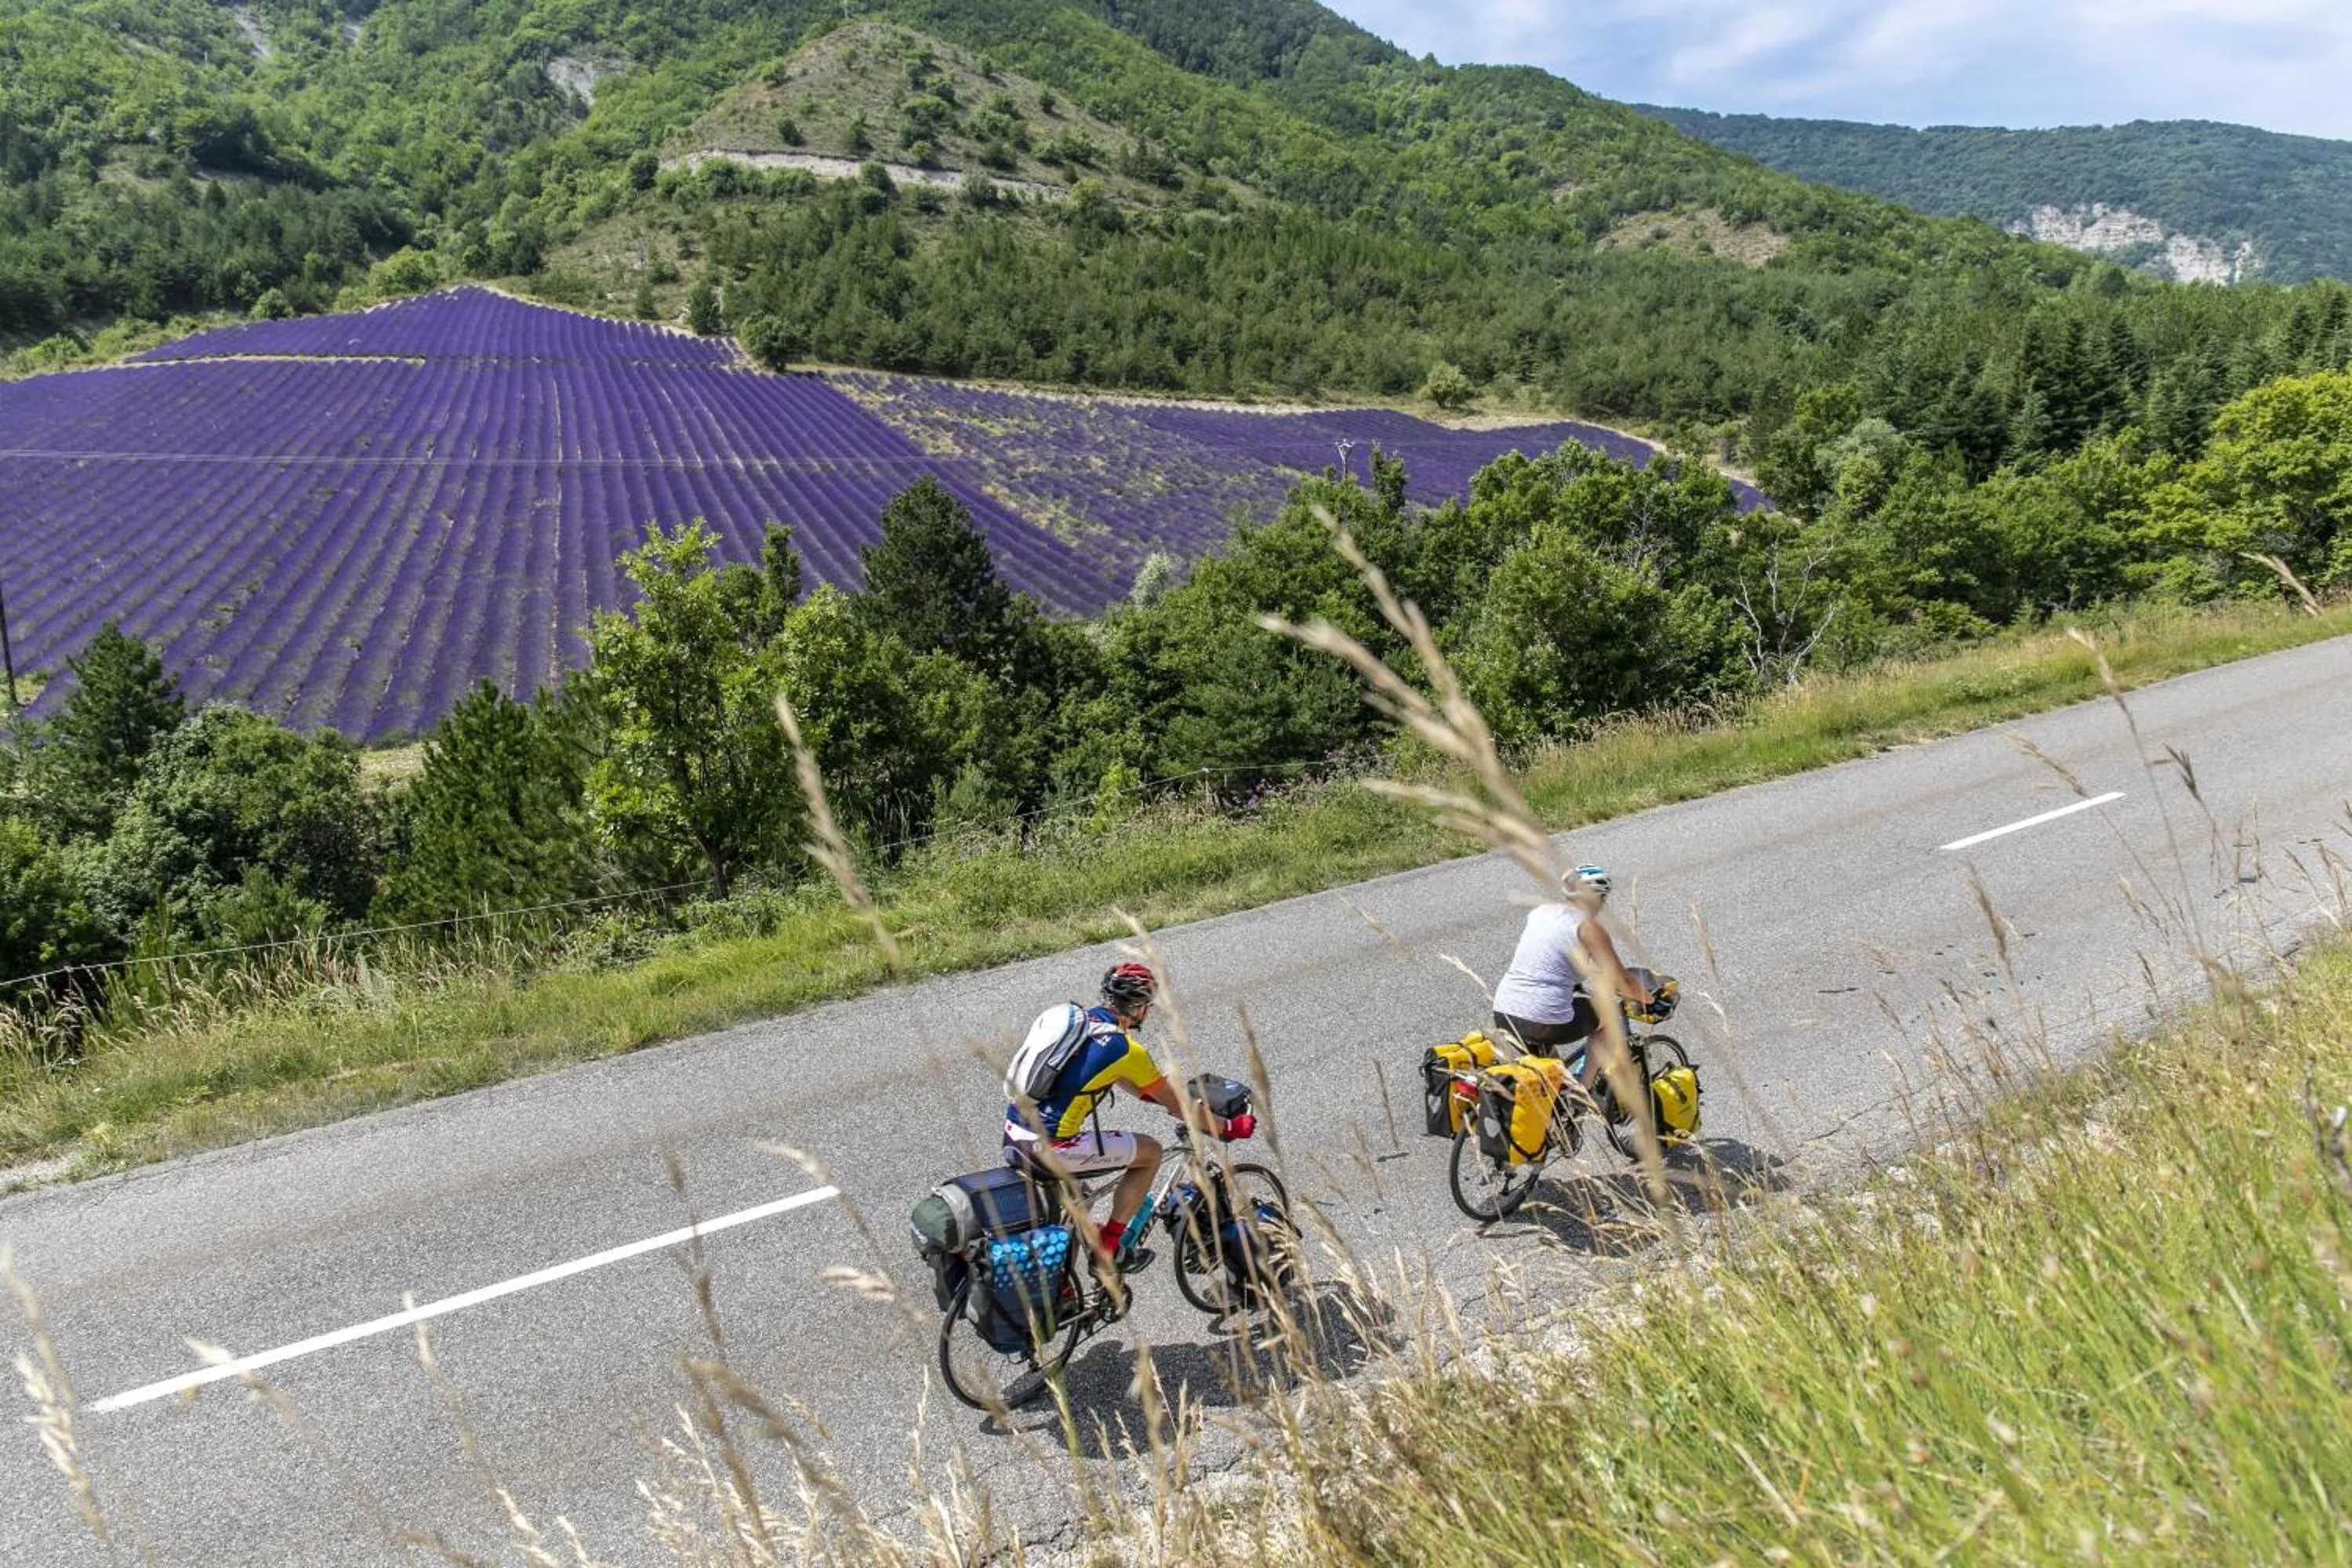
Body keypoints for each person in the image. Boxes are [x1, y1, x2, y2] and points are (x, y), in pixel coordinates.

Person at [1004, 961, 1251, 1274]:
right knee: (1150, 1151)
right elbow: (1180, 1106)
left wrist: (1159, 1096)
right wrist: (1230, 1125)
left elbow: (1127, 1083)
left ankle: (1064, 1285)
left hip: (1014, 1136)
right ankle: (1111, 1249)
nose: (1147, 1012)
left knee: (1079, 1203)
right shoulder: (1124, 1048)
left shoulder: (1080, 1027)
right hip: (1051, 1149)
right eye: (1146, 1006)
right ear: (1137, 1007)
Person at [1490, 863, 1656, 1092]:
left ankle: (1557, 1106)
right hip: (1543, 1019)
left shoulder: (1540, 913)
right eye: (1603, 899)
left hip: (1504, 1012)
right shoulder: (1588, 927)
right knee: (1609, 1016)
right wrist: (1650, 1000)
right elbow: (1623, 981)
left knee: (1552, 1078)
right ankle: (1583, 1091)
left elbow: (1550, 958)